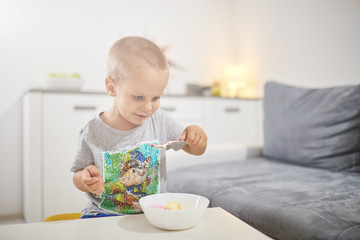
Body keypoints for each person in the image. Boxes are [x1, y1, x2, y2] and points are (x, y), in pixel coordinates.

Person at [71, 36, 207, 218]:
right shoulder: (93, 131)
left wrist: (196, 136)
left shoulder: (160, 120)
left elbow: (194, 149)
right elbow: (78, 174)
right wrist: (85, 179)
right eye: (138, 97)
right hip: (103, 213)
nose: (148, 107)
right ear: (112, 88)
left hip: (153, 212)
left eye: (156, 98)